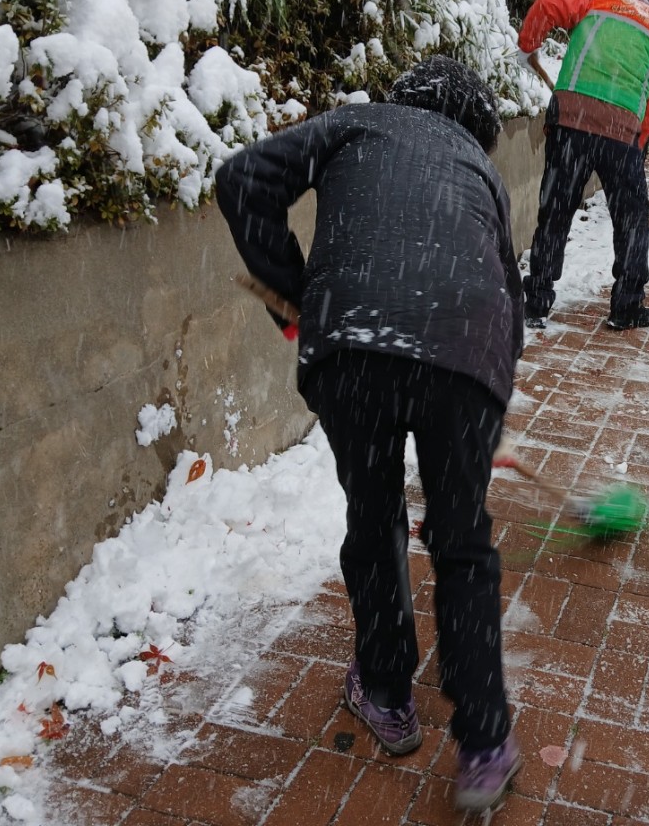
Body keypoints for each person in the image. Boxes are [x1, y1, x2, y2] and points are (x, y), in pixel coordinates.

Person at [214, 56, 524, 812]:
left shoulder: (358, 122)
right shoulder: (481, 175)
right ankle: (484, 740)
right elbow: (509, 300)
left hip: (351, 342)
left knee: (375, 512)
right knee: (461, 543)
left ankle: (386, 694)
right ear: (476, 129)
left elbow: (241, 179)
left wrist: (295, 295)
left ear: (405, 99)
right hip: (464, 352)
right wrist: (482, 402)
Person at [517, 0, 649, 331]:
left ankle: (536, 301)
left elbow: (547, 3)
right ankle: (626, 305)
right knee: (632, 220)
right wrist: (635, 151)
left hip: (570, 118)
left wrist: (529, 44)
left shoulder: (598, 3)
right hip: (622, 131)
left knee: (555, 211)